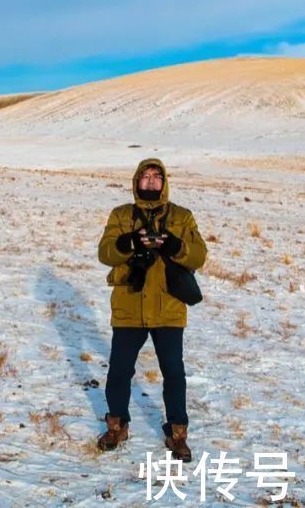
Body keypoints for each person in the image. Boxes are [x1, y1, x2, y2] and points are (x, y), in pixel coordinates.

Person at [96, 158, 208, 460]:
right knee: (119, 371)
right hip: (129, 306)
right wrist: (130, 241)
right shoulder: (121, 215)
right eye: (144, 176)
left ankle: (177, 433)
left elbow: (198, 256)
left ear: (164, 182)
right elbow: (104, 253)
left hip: (168, 307)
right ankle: (117, 424)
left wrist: (175, 247)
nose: (150, 181)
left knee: (173, 372)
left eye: (155, 177)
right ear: (136, 181)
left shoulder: (182, 217)